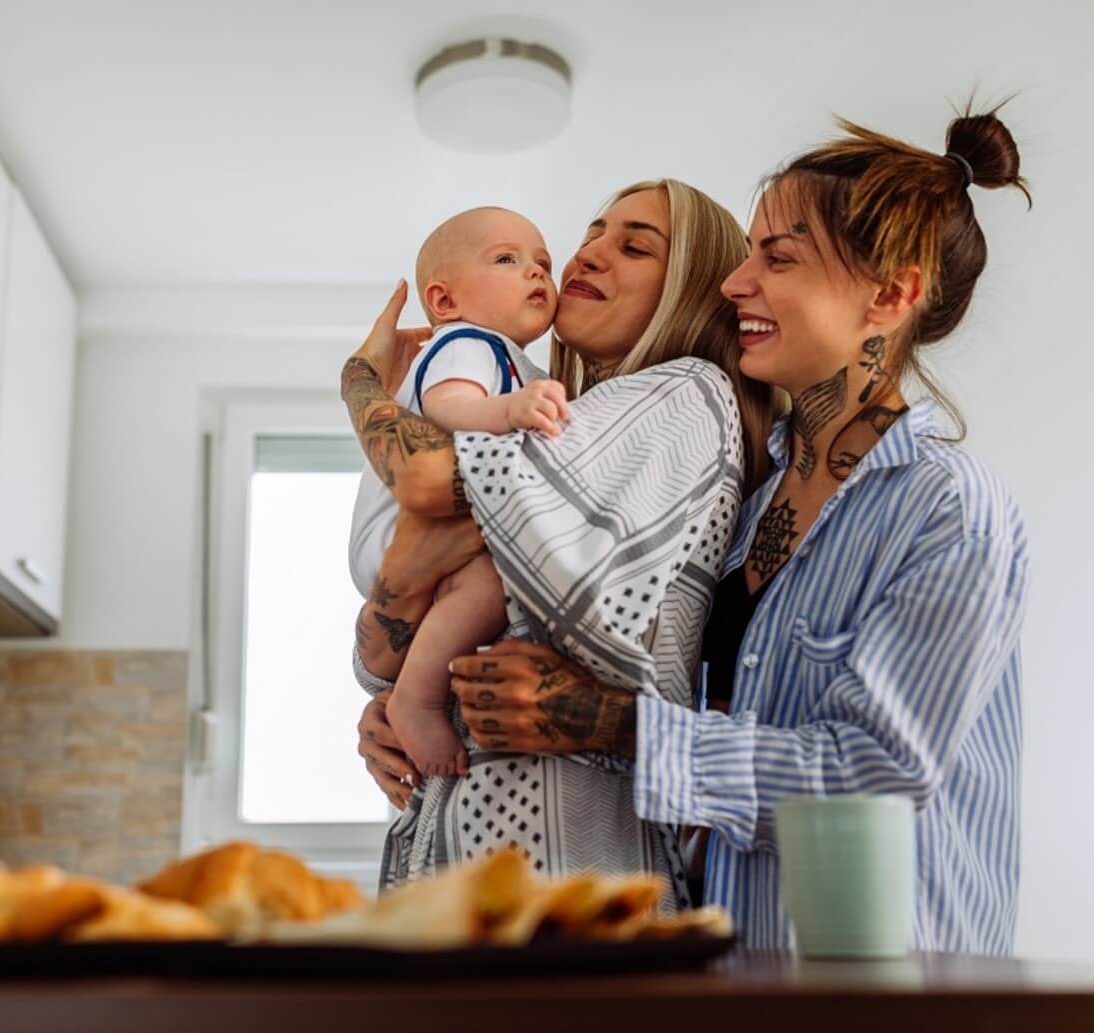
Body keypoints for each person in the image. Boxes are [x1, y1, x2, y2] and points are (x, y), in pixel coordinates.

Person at [445, 107, 1032, 953]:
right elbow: (708, 733)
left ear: (890, 295)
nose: (734, 281)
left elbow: (871, 778)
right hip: (736, 977)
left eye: (777, 258)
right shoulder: (748, 502)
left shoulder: (946, 510)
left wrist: (611, 722)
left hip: (887, 996)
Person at [344, 180, 774, 897]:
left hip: (568, 881)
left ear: (694, 291)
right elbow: (381, 648)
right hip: (464, 868)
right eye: (593, 233)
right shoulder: (559, 413)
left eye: (633, 245)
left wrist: (360, 381)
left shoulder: (682, 393)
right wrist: (395, 694)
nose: (585, 255)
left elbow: (426, 482)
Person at [349, 206, 569, 777]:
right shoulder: (467, 343)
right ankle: (416, 701)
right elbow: (452, 410)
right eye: (507, 259)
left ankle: (418, 690)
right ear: (444, 302)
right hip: (400, 532)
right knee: (492, 579)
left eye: (544, 264)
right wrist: (511, 409)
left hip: (418, 543)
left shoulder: (510, 359)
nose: (536, 274)